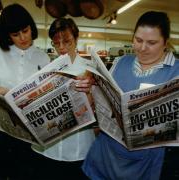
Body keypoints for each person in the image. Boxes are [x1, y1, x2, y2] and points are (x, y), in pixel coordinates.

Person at [82, 11, 179, 180]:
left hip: (144, 163)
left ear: (165, 43)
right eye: (138, 40)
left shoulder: (176, 71)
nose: (142, 48)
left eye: (152, 43)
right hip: (106, 155)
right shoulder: (121, 62)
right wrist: (91, 90)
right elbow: (101, 104)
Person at [31, 17, 95, 179]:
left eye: (67, 42)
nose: (62, 48)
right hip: (49, 148)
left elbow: (101, 110)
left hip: (78, 149)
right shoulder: (46, 69)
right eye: (56, 43)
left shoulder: (91, 69)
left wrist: (89, 93)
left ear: (76, 38)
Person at [0, 3, 50, 179]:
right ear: (7, 35)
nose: (22, 38)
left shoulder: (42, 57)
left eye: (26, 30)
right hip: (2, 133)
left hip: (32, 137)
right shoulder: (0, 54)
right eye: (15, 34)